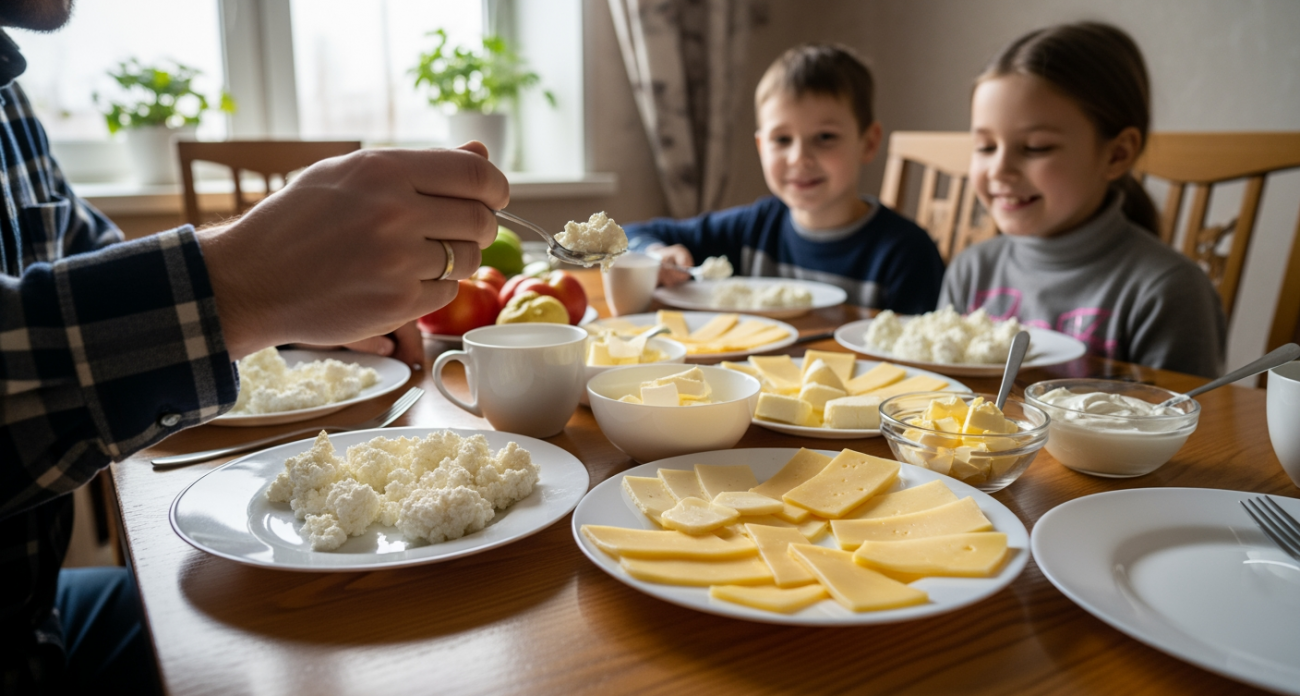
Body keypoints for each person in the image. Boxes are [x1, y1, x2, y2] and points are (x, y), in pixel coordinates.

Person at [0, 2, 509, 692]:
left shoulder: (12, 99)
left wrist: (288, 308)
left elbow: (87, 267)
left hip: (43, 617)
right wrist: (239, 284)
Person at [937, 22, 1226, 378]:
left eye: (1035, 147)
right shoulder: (970, 271)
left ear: (1117, 154)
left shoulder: (1167, 291)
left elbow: (1186, 424)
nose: (1000, 169)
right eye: (986, 147)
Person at [626, 43, 945, 314]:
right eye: (781, 140)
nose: (799, 158)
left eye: (825, 137)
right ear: (761, 147)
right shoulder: (754, 229)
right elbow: (633, 233)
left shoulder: (906, 253)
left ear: (869, 142)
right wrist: (656, 254)